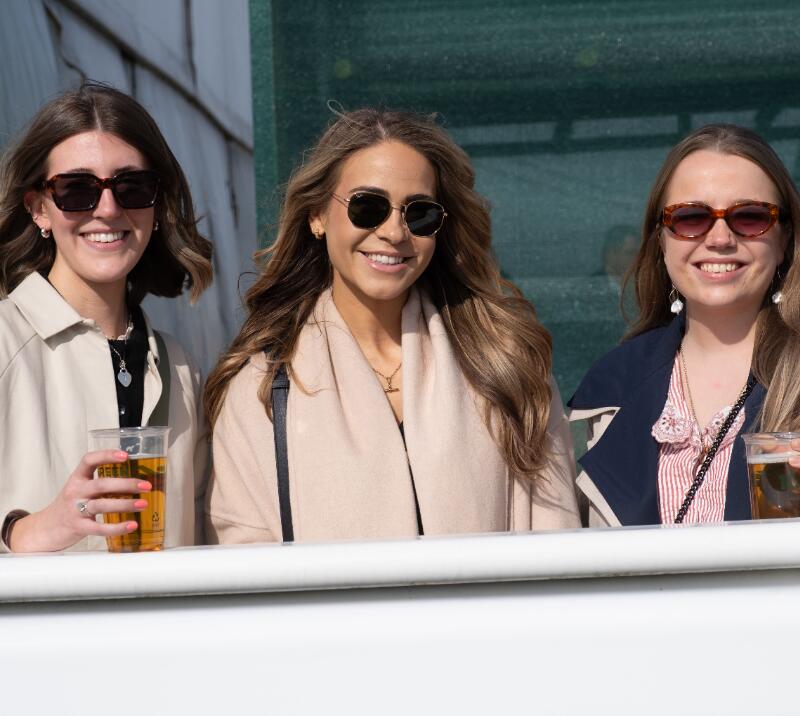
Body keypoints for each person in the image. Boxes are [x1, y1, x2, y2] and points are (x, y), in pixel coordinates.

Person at [203, 108, 579, 543]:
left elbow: (557, 541)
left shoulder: (506, 365)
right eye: (368, 207)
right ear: (318, 216)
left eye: (419, 214)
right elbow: (248, 569)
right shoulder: (262, 389)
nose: (394, 232)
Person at [0, 82, 212, 552]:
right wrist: (24, 531)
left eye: (132, 187)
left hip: (160, 626)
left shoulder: (178, 365)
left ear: (156, 207)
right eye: (77, 190)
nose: (108, 209)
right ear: (39, 209)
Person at [569, 123, 800, 526]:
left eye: (750, 217)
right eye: (691, 217)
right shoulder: (608, 389)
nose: (720, 238)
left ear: (783, 241)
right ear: (661, 241)